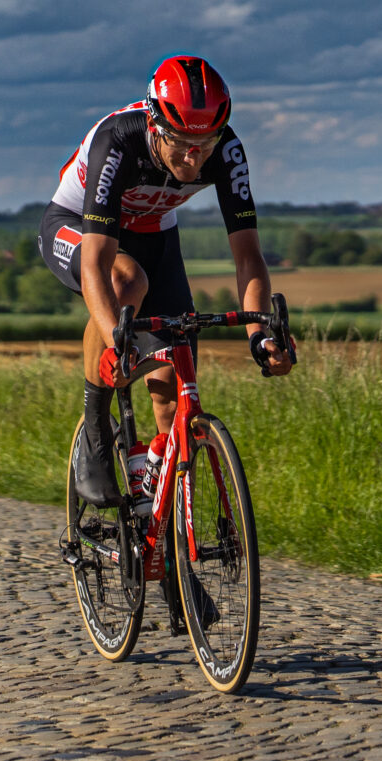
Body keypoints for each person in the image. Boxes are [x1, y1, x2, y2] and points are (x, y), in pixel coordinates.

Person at [41, 55, 295, 508]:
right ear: (156, 125)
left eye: (205, 143)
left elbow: (248, 257)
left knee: (173, 390)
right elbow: (98, 266)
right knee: (126, 281)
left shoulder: (227, 151)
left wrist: (260, 335)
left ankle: (171, 549)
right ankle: (96, 432)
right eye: (181, 143)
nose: (194, 157)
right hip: (79, 225)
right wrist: (113, 341)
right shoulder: (117, 141)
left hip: (155, 236)